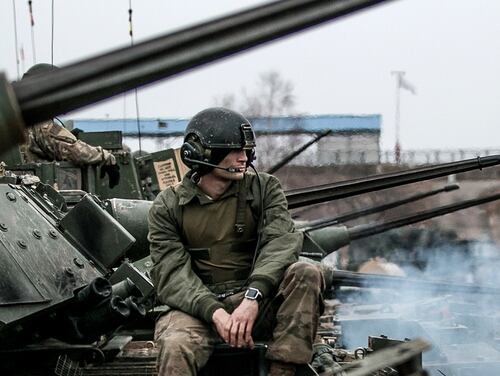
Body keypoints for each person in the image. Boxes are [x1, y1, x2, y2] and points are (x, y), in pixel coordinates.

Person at [148, 107, 324, 376]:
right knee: (175, 345)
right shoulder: (168, 205)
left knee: (306, 272)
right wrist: (215, 312)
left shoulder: (264, 189)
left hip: (255, 302)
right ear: (204, 154)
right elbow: (172, 274)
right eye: (236, 151)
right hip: (197, 310)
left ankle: (283, 371)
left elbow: (281, 243)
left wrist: (253, 296)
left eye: (247, 151)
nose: (245, 158)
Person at [18, 64, 120, 188]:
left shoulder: (18, 120)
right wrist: (108, 158)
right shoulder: (40, 123)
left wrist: (68, 134)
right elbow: (76, 151)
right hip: (35, 192)